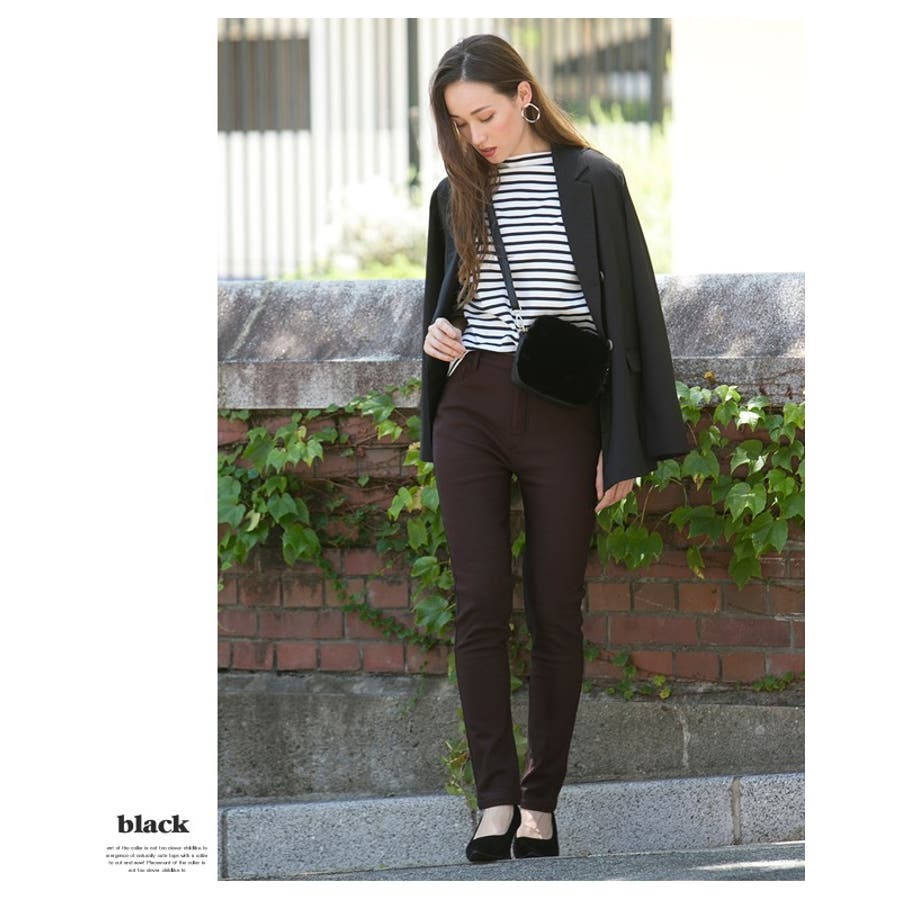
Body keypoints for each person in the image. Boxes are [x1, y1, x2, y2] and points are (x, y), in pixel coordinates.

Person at [419, 34, 688, 862]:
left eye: (485, 115)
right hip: (472, 401)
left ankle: (540, 803)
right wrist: (438, 334)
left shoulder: (593, 180)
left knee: (553, 609)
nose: (476, 136)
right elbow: (448, 302)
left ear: (524, 95)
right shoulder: (455, 193)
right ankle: (494, 800)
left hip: (563, 412)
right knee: (478, 602)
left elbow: (634, 317)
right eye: (460, 124)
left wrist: (622, 442)